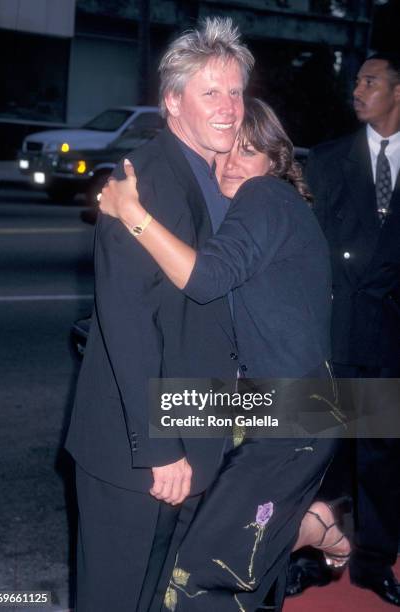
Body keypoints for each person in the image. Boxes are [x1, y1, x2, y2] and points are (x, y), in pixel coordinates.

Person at [99, 97, 350, 611]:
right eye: (226, 152)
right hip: (282, 403)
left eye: (249, 152)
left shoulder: (265, 197)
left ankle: (309, 524)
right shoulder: (264, 215)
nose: (232, 163)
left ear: (274, 162)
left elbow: (205, 278)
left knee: (203, 575)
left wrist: (132, 214)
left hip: (294, 416)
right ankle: (306, 522)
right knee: (157, 419)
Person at [65, 17, 256, 612]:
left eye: (235, 91)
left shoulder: (211, 176)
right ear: (172, 101)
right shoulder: (143, 178)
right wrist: (158, 447)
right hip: (142, 453)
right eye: (211, 92)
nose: (229, 108)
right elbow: (125, 320)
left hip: (196, 428)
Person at [287, 52, 400, 606]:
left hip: (388, 333)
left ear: (398, 92)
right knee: (320, 450)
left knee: (380, 456)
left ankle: (374, 561)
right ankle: (312, 556)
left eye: (371, 81)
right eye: (356, 79)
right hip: (330, 330)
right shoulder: (328, 161)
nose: (357, 89)